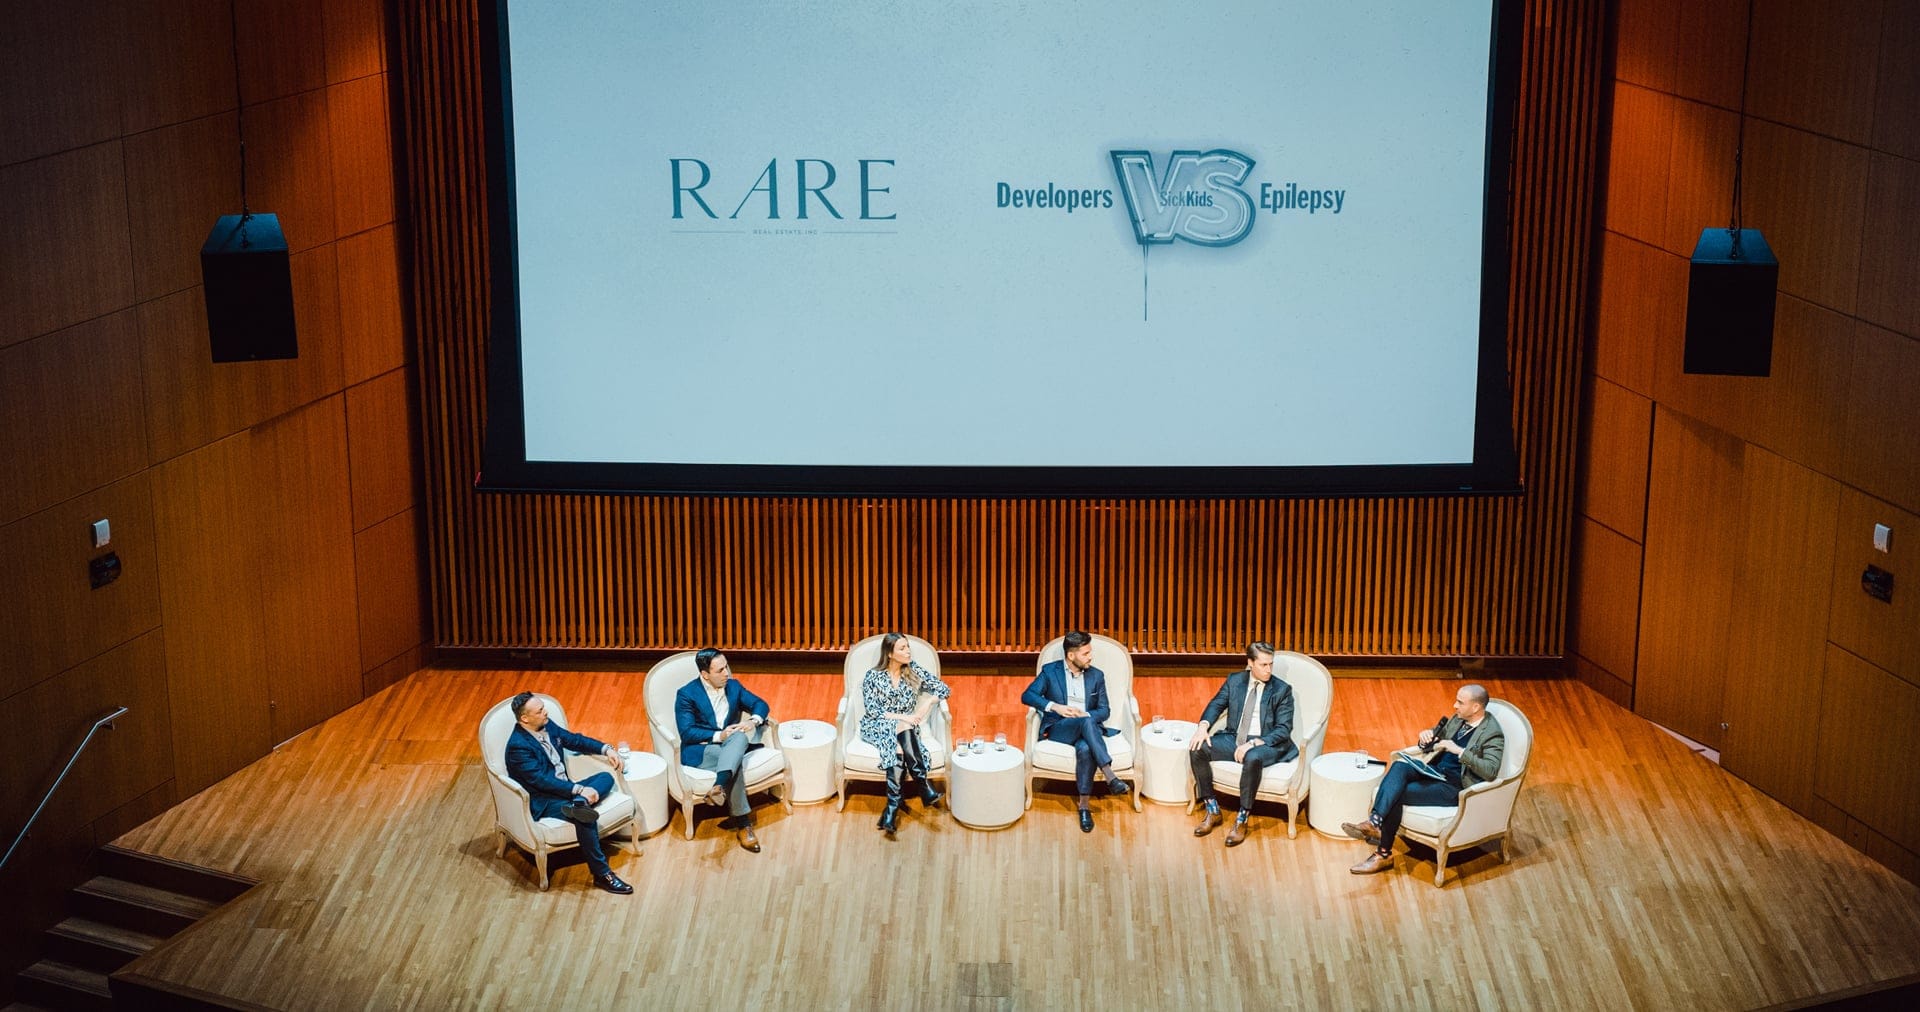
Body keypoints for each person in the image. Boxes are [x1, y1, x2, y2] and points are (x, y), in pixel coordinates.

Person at [1344, 683, 1505, 875]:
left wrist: (1459, 751)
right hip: (1434, 770)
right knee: (1399, 766)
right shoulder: (1459, 718)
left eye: (1460, 702)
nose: (1455, 706)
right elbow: (1437, 741)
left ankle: (1382, 854)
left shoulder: (1493, 733)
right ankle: (1375, 822)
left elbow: (1490, 771)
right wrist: (1425, 737)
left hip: (1453, 786)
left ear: (1476, 707)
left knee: (1398, 793)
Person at [503, 691, 633, 894]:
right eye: (540, 711)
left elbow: (574, 740)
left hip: (568, 791)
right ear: (524, 718)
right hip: (545, 799)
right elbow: (541, 781)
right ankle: (602, 875)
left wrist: (606, 749)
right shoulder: (518, 747)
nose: (545, 712)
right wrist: (578, 789)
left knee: (605, 777)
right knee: (584, 819)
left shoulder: (545, 724)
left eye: (543, 707)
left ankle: (579, 803)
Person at [1020, 630, 1131, 833]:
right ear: (1071, 655)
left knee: (1085, 748)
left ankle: (1084, 807)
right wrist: (1056, 707)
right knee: (1084, 722)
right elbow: (1028, 695)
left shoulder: (1096, 675)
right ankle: (1110, 776)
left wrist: (1085, 715)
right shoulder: (1050, 671)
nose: (1090, 657)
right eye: (1085, 653)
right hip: (1060, 728)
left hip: (1087, 729)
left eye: (1090, 652)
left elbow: (1104, 711)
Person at [1189, 642, 1298, 847]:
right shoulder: (1235, 680)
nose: (1268, 670)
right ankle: (1212, 808)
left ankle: (1242, 817)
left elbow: (1283, 729)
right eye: (1263, 665)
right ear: (1250, 663)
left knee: (1253, 757)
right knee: (1198, 747)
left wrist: (1254, 743)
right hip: (1236, 737)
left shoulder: (1282, 690)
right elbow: (1216, 704)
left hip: (1268, 742)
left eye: (1270, 664)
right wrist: (1203, 727)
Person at [675, 648, 773, 853]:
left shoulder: (734, 687)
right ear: (705, 674)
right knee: (734, 758)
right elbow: (687, 732)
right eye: (720, 670)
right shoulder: (686, 695)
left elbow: (760, 704)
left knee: (737, 738)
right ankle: (743, 823)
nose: (726, 673)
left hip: (731, 746)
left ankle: (718, 787)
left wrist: (753, 721)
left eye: (726, 667)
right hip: (701, 750)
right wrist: (720, 736)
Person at [859, 632, 951, 837]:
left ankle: (891, 808)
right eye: (902, 648)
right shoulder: (872, 676)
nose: (908, 651)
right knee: (901, 728)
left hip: (904, 727)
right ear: (890, 653)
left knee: (898, 746)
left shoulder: (914, 671)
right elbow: (873, 711)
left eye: (908, 647)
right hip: (877, 725)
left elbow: (943, 688)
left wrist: (926, 703)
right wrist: (904, 717)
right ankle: (923, 785)